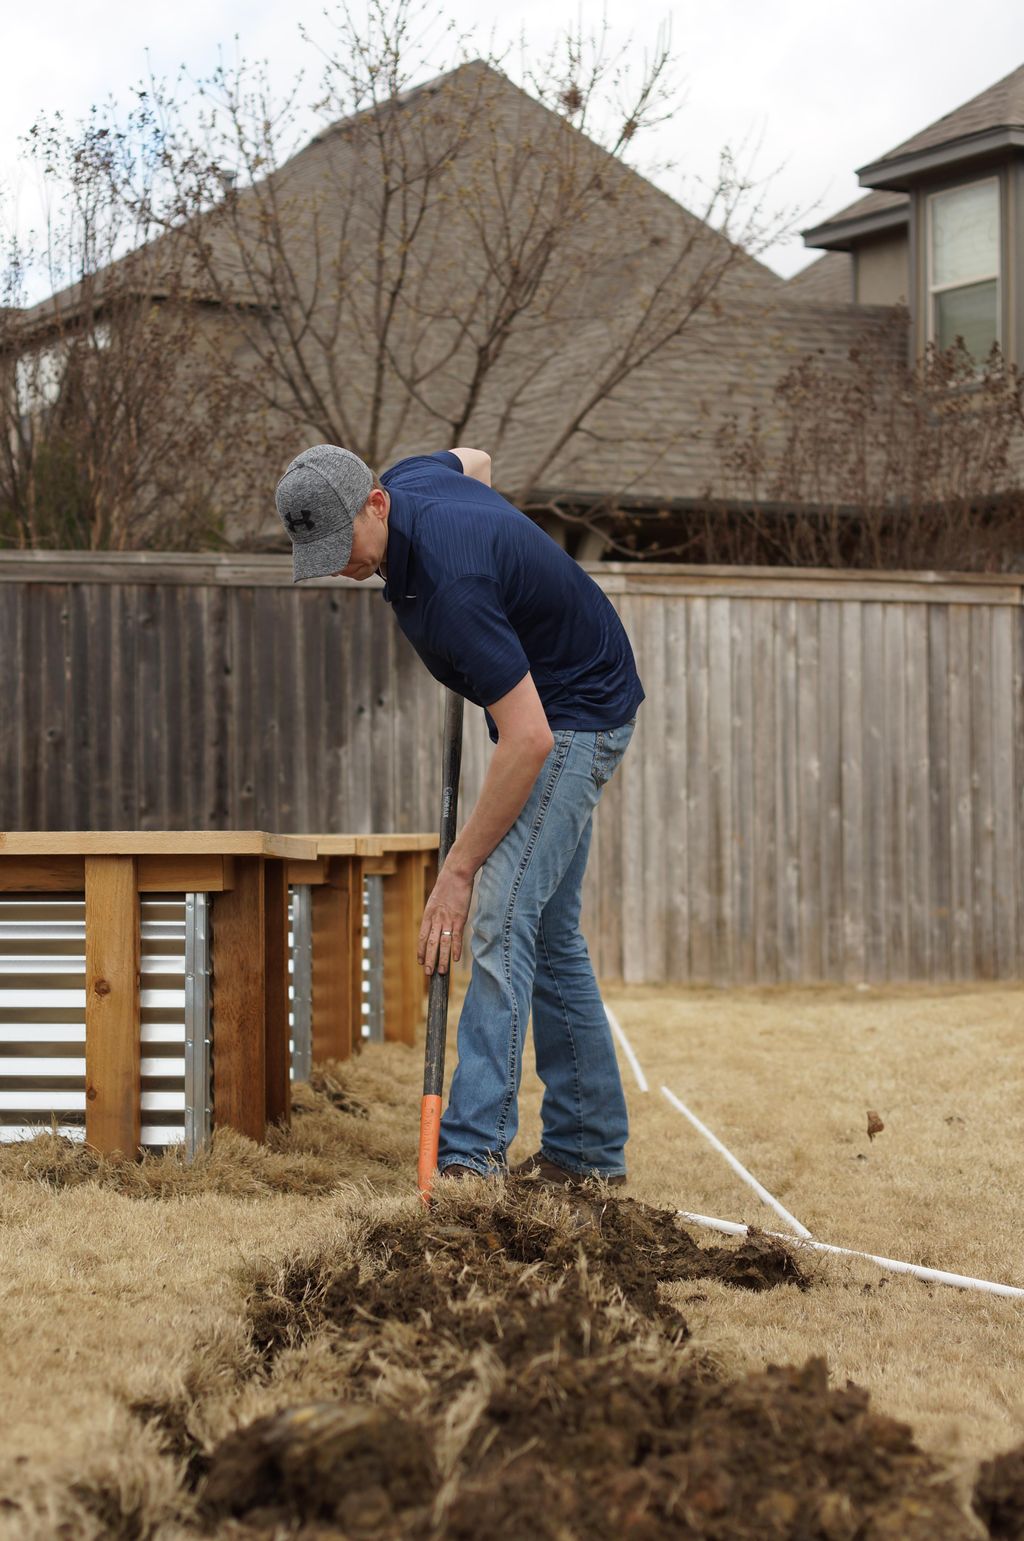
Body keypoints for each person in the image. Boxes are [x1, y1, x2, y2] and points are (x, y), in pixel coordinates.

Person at [275, 443, 644, 1187]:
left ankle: (472, 1155)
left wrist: (459, 867)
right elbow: (473, 461)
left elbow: (530, 738)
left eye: (340, 543)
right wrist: (502, 571)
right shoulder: (414, 480)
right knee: (546, 929)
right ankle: (588, 1149)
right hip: (565, 690)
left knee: (498, 912)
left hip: (574, 713)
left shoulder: (452, 588)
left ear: (375, 502)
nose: (338, 564)